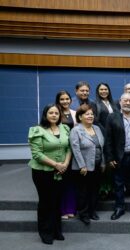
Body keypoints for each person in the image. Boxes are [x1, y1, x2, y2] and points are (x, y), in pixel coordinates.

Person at [28, 104, 71, 245]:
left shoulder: (65, 128)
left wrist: (64, 164)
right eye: (51, 113)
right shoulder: (37, 130)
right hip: (43, 172)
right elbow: (37, 154)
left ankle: (56, 230)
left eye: (56, 113)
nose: (54, 115)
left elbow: (69, 148)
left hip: (62, 171)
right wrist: (56, 165)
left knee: (57, 200)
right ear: (45, 115)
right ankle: (45, 232)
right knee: (46, 201)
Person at [70, 104, 105, 225]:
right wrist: (82, 165)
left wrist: (103, 163)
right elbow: (75, 149)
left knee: (94, 190)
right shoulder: (76, 130)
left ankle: (92, 211)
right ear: (80, 117)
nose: (90, 116)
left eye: (91, 114)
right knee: (83, 191)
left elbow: (101, 147)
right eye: (87, 114)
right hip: (83, 168)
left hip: (97, 165)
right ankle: (83, 214)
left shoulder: (97, 128)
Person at [55, 91, 77, 220]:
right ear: (58, 101)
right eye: (62, 99)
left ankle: (70, 208)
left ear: (71, 100)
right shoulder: (55, 113)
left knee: (71, 182)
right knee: (61, 182)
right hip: (60, 151)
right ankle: (62, 209)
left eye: (67, 99)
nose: (65, 101)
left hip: (73, 151)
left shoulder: (74, 113)